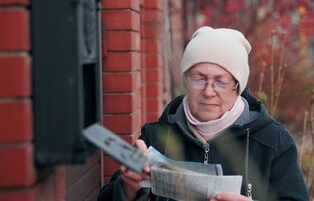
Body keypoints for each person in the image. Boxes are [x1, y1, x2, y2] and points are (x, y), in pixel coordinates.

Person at [98, 26, 309, 201]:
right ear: (185, 82)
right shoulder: (156, 137)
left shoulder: (273, 141)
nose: (208, 92)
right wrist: (127, 189)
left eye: (220, 81)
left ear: (237, 86)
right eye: (198, 79)